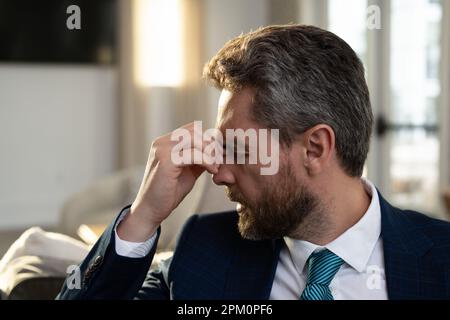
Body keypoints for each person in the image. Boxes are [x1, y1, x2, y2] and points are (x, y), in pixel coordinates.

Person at [57, 25, 450, 300]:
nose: (219, 173)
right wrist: (142, 217)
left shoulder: (441, 261)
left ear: (315, 148)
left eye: (239, 150)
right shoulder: (205, 253)